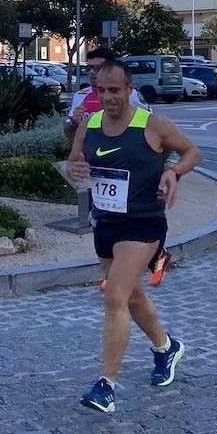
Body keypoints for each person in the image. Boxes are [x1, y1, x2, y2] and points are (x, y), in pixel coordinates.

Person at [65, 61, 202, 414]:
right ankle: (165, 347)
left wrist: (173, 171)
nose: (108, 97)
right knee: (133, 294)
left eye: (115, 90)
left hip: (144, 224)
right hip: (107, 222)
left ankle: (106, 386)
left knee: (114, 296)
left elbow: (192, 152)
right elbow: (74, 163)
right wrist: (76, 168)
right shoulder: (89, 124)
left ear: (129, 89)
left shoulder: (152, 125)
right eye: (102, 91)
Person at [64, 48, 168, 288]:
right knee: (100, 219)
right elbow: (69, 134)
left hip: (132, 170)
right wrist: (73, 123)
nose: (93, 73)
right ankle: (116, 275)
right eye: (90, 68)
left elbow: (150, 132)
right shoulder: (81, 96)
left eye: (99, 68)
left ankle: (151, 260)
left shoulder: (131, 96)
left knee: (134, 223)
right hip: (99, 171)